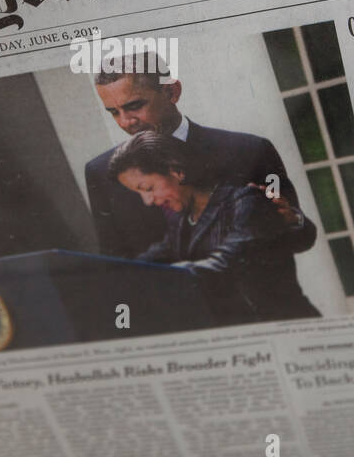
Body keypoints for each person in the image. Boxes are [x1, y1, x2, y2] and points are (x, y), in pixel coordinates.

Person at [84, 52, 308, 258]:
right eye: (114, 112)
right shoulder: (101, 173)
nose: (125, 122)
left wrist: (291, 221)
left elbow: (299, 239)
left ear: (172, 92)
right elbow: (116, 263)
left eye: (134, 106)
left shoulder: (250, 150)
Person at [108, 131, 319, 325]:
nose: (147, 201)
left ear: (178, 171)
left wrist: (154, 282)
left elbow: (225, 264)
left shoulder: (245, 201)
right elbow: (155, 257)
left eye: (147, 188)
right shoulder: (183, 219)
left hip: (288, 330)